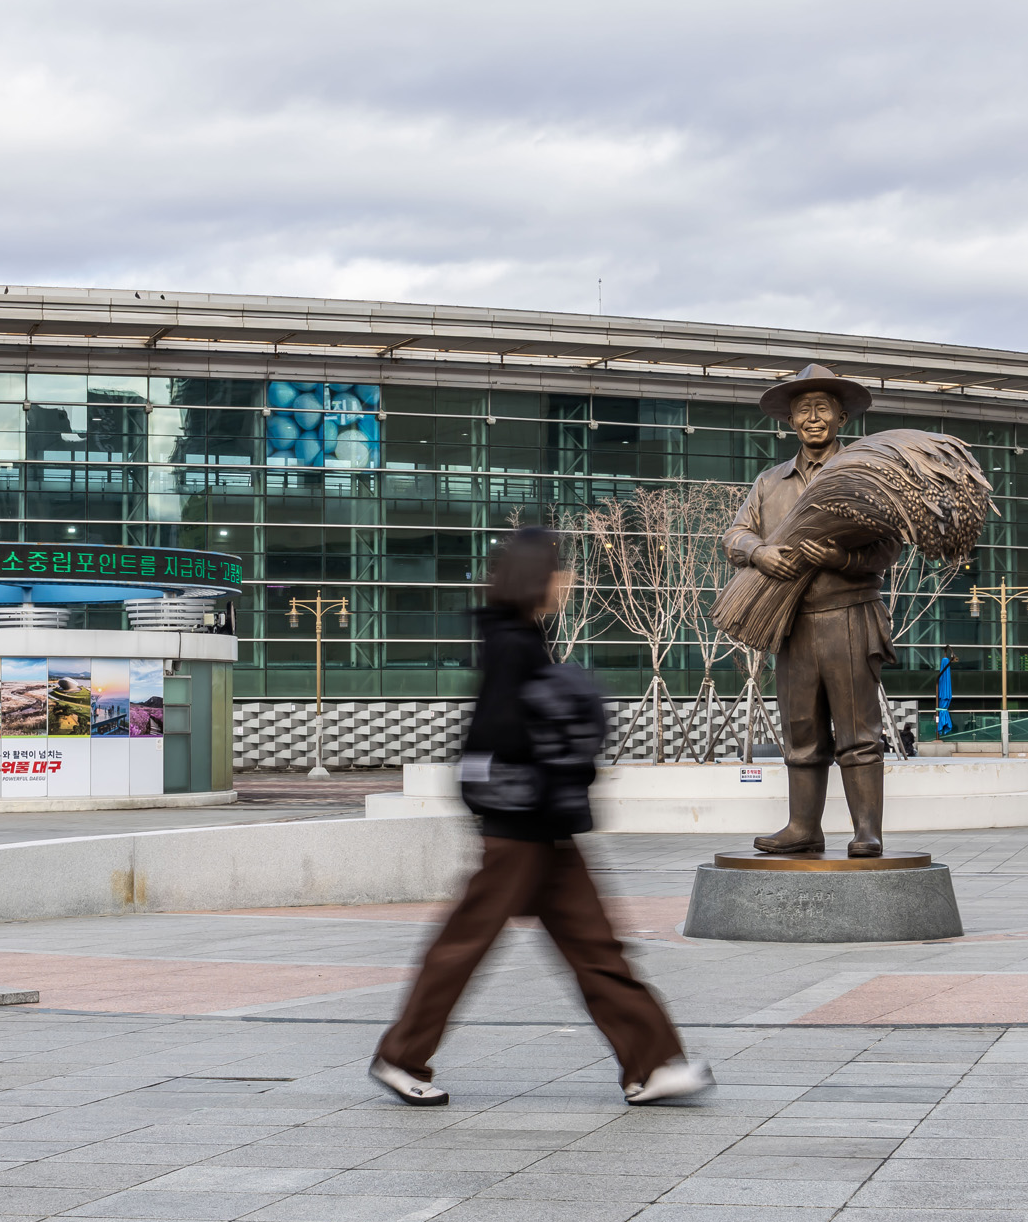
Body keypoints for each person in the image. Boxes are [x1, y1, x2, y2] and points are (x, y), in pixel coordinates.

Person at [370, 527, 713, 1109]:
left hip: (541, 825)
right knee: (468, 945)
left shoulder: (522, 637)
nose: (568, 581)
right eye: (561, 571)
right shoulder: (513, 643)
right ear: (537, 578)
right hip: (521, 828)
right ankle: (400, 1057)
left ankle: (652, 1065)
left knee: (595, 948)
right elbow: (496, 737)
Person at [723, 366, 897, 857]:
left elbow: (888, 546)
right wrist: (758, 553)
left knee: (858, 731)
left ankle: (867, 830)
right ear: (791, 421)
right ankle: (803, 827)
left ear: (841, 416)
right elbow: (735, 534)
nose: (813, 418)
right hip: (791, 621)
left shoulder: (865, 475)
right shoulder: (769, 482)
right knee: (801, 729)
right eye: (803, 410)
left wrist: (841, 559)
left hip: (849, 615)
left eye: (823, 409)